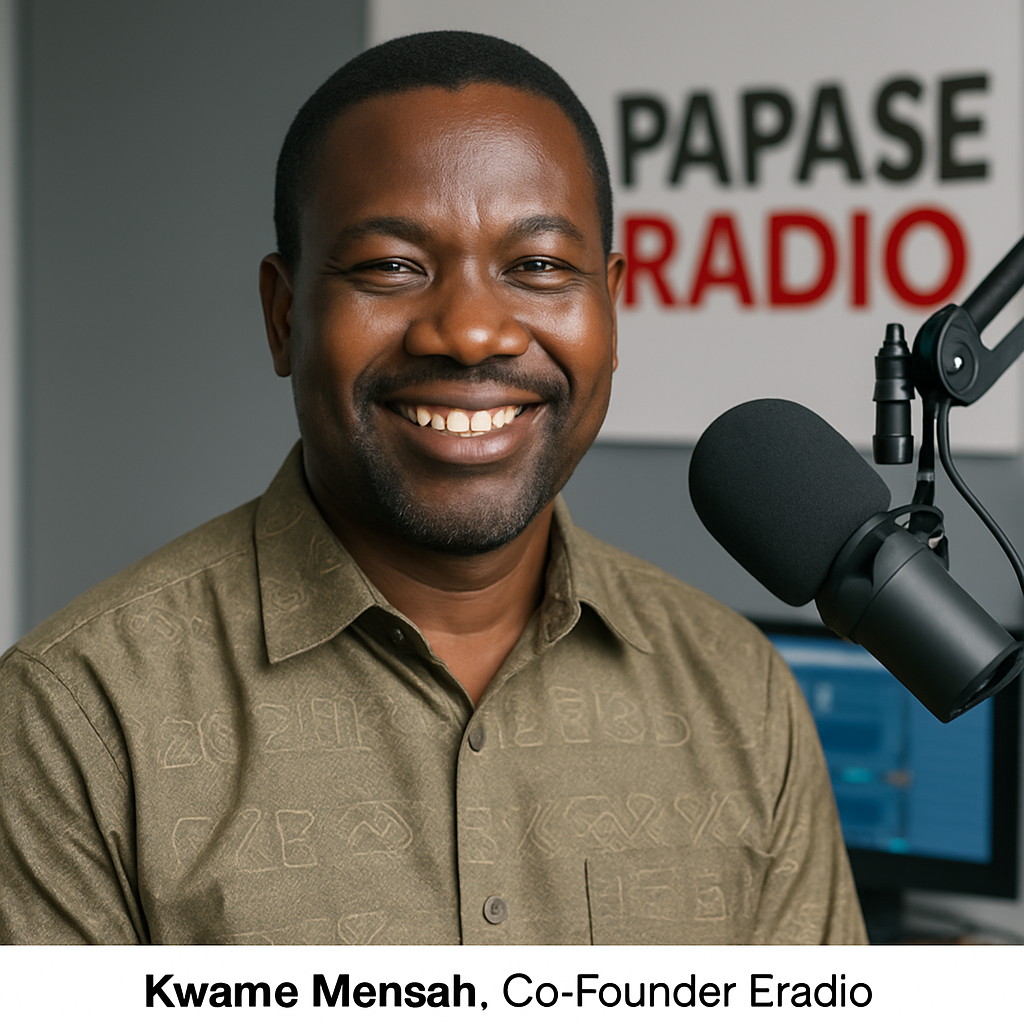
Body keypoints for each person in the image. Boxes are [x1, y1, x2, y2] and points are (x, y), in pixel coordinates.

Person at [0, 31, 866, 945]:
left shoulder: (741, 694)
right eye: (391, 267)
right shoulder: (77, 720)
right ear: (284, 315)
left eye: (535, 267)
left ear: (609, 308)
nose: (471, 332)